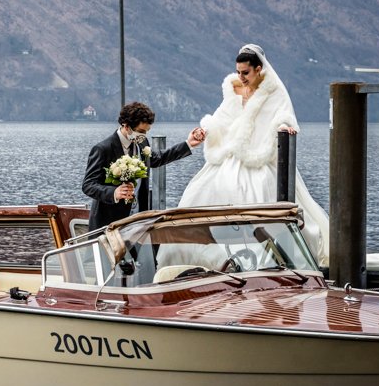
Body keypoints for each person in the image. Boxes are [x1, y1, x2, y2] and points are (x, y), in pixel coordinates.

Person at [176, 43, 330, 265]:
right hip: (231, 156)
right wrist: (205, 130)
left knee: (260, 193)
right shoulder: (234, 88)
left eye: (245, 72)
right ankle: (204, 259)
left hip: (258, 156)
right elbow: (222, 116)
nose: (241, 77)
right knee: (201, 193)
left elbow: (283, 115)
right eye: (238, 72)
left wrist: (284, 126)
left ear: (259, 69)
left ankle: (266, 259)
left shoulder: (273, 91)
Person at [82, 101, 205, 230]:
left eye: (146, 131)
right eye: (141, 131)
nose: (144, 135)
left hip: (138, 219)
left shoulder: (142, 142)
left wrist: (188, 143)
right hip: (109, 221)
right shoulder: (103, 149)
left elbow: (156, 159)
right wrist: (114, 192)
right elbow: (88, 185)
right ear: (126, 126)